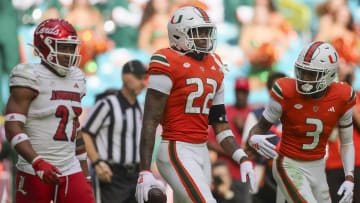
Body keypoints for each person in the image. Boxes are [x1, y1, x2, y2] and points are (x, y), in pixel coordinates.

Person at [135, 6, 256, 203]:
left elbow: (220, 126)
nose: (204, 37)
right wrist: (145, 170)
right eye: (198, 32)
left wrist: (241, 156)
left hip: (201, 151)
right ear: (179, 34)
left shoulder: (215, 65)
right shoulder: (167, 60)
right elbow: (150, 119)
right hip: (176, 148)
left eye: (207, 31)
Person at [248, 41, 355, 203]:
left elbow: (347, 142)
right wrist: (253, 139)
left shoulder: (343, 96)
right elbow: (259, 128)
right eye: (302, 71)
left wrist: (349, 177)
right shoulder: (286, 91)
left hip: (318, 166)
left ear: (329, 74)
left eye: (311, 74)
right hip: (288, 163)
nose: (304, 78)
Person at [4, 18, 94, 203]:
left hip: (70, 167)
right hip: (34, 168)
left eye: (71, 48)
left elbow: (74, 129)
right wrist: (37, 162)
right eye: (63, 47)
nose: (69, 54)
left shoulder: (76, 77)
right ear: (45, 46)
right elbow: (12, 126)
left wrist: (85, 174)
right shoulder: (29, 74)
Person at [81, 60, 147, 203]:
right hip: (111, 175)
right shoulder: (107, 104)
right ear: (124, 77)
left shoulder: (141, 109)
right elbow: (85, 133)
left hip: (135, 175)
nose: (143, 83)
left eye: (144, 78)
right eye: (138, 78)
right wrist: (97, 162)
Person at [207, 77, 254, 203]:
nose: (241, 95)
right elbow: (209, 142)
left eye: (244, 92)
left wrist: (243, 128)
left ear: (248, 93)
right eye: (238, 92)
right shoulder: (226, 111)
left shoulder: (253, 114)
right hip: (223, 173)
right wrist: (233, 152)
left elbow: (257, 148)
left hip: (244, 175)